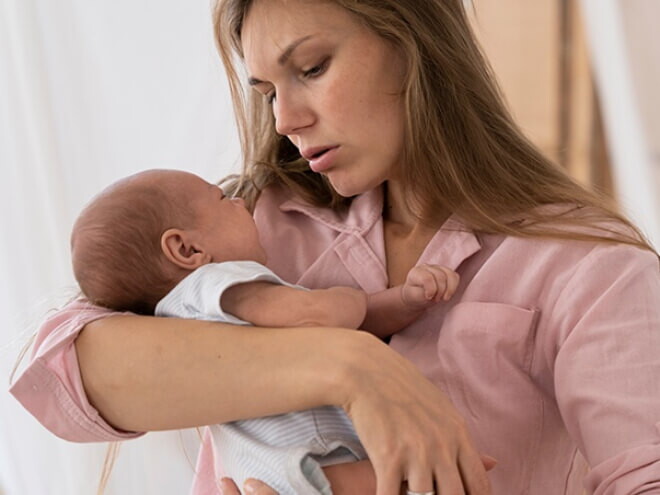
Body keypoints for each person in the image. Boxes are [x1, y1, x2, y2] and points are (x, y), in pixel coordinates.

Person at [9, 0, 660, 493]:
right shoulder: (249, 227)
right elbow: (56, 376)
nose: (285, 120)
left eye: (311, 68)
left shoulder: (586, 262)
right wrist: (348, 367)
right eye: (266, 91)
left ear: (412, 45)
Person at [69, 167, 460, 494]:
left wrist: (406, 301)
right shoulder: (215, 284)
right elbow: (316, 317)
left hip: (269, 472)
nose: (240, 202)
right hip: (312, 454)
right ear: (186, 250)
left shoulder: (174, 320)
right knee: (425, 472)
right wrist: (346, 297)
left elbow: (352, 326)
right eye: (222, 200)